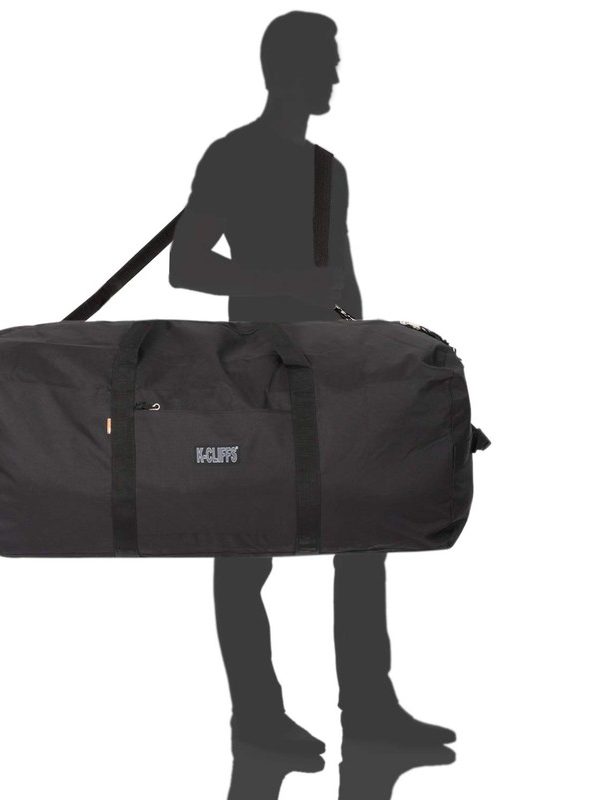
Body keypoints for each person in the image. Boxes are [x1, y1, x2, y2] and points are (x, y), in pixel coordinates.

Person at [169, 11, 455, 755]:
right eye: (327, 60)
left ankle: (370, 711)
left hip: (331, 371)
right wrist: (287, 283)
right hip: (252, 376)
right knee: (244, 547)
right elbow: (185, 264)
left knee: (364, 535)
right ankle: (257, 721)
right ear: (287, 68)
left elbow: (346, 281)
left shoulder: (330, 170)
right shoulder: (231, 156)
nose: (336, 73)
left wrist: (371, 364)